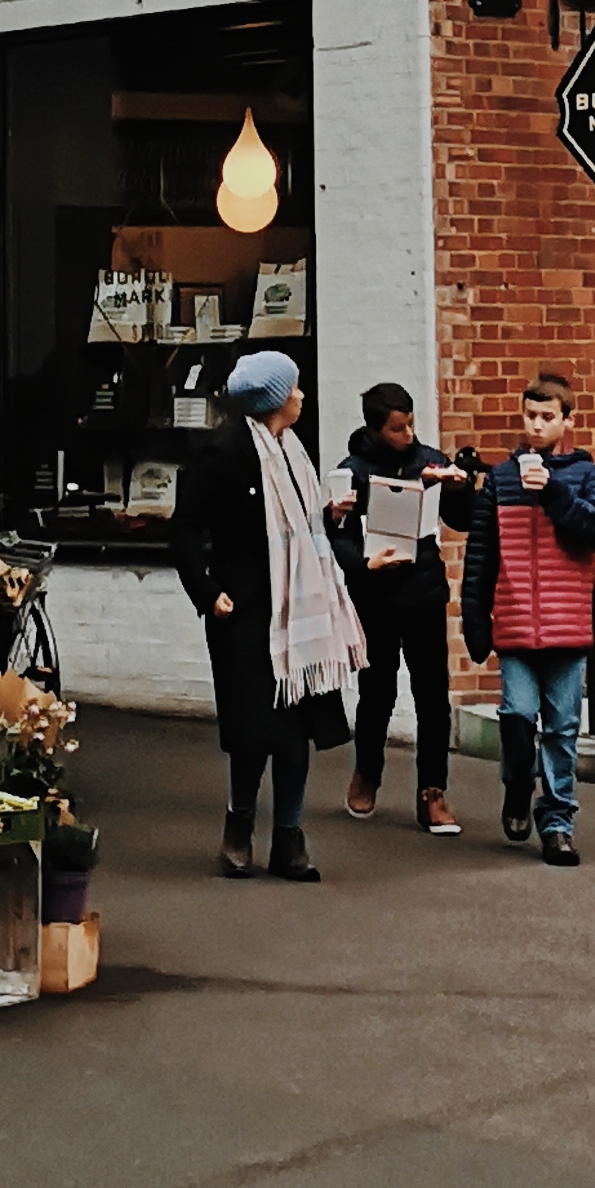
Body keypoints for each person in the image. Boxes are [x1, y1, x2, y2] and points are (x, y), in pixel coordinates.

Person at [173, 349, 365, 881]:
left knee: (296, 731)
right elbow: (185, 529)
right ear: (277, 399)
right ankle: (239, 827)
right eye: (296, 388)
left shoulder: (294, 453)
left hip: (301, 614)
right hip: (246, 610)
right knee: (254, 730)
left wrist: (329, 516)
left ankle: (290, 838)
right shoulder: (222, 454)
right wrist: (208, 592)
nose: (302, 395)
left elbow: (298, 532)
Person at [459, 375, 595, 866]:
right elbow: (480, 555)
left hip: (567, 626)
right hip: (515, 622)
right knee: (518, 716)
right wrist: (475, 619)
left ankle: (557, 824)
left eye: (547, 416)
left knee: (563, 728)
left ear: (567, 420)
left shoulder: (585, 475)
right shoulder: (502, 479)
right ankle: (515, 785)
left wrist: (553, 494)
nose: (537, 424)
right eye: (530, 415)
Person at [335, 378, 473, 835]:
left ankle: (432, 791)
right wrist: (362, 563)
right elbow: (335, 534)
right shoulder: (352, 469)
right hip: (376, 593)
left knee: (433, 694)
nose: (408, 436)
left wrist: (454, 486)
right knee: (378, 692)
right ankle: (367, 773)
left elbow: (462, 520)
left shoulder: (428, 457)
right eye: (397, 429)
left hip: (425, 591)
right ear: (375, 429)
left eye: (411, 425)